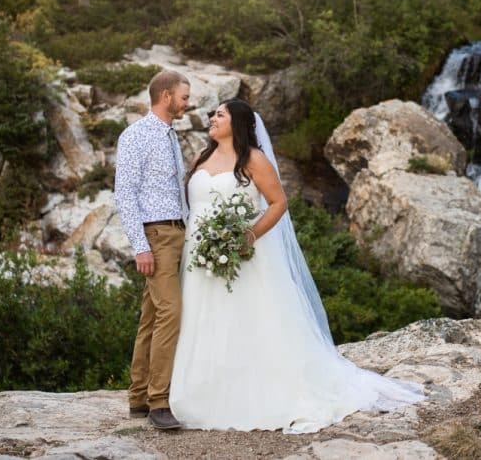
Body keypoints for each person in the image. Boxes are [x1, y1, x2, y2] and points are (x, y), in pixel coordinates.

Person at [170, 98, 424, 433]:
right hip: (201, 255)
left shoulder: (253, 159)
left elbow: (278, 203)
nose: (212, 118)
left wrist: (249, 235)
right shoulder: (201, 157)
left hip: (242, 255)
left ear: (239, 123)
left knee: (246, 320)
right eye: (213, 114)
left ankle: (254, 392)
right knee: (203, 318)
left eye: (220, 114)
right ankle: (201, 391)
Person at [113, 70, 192, 430]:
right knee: (171, 313)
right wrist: (140, 246)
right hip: (156, 236)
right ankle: (160, 401)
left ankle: (139, 398)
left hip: (176, 233)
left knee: (151, 317)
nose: (187, 103)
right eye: (184, 97)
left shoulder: (170, 135)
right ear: (165, 96)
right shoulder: (136, 136)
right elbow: (125, 194)